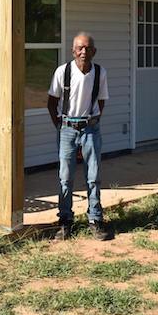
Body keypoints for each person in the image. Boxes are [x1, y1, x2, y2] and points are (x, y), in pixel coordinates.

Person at [47, 32, 109, 240]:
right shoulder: (62, 72)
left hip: (91, 128)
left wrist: (93, 120)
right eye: (80, 48)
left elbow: (101, 100)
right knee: (65, 177)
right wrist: (60, 125)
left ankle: (95, 219)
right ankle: (65, 220)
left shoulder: (100, 72)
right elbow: (51, 102)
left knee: (94, 176)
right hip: (67, 128)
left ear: (94, 51)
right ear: (73, 50)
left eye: (88, 48)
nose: (84, 52)